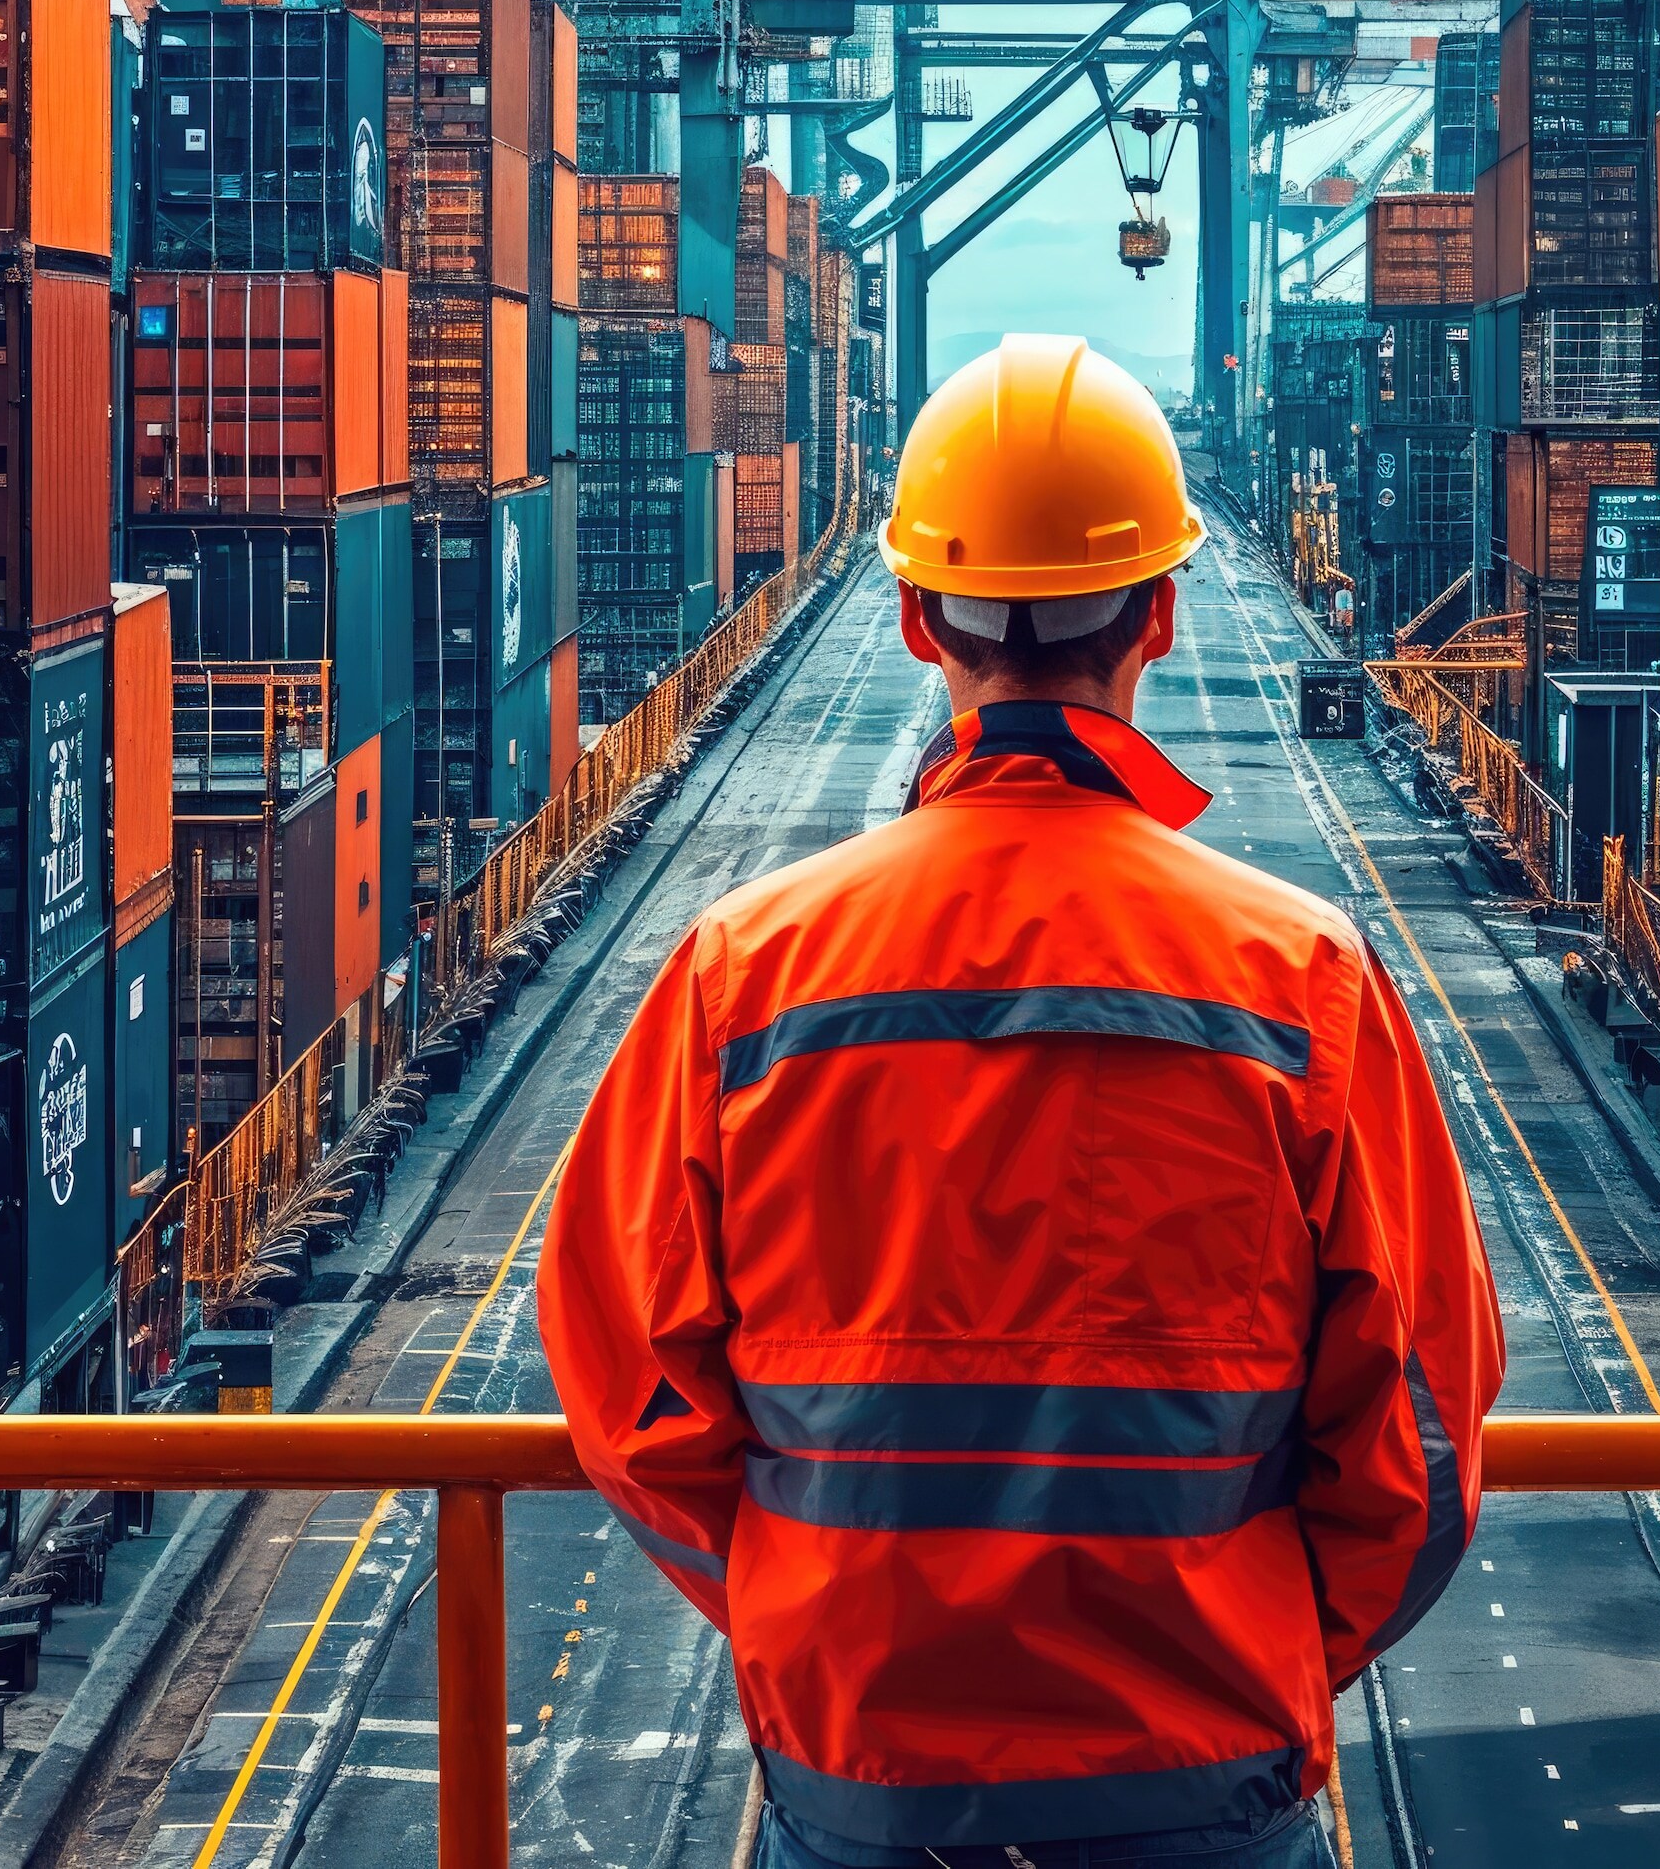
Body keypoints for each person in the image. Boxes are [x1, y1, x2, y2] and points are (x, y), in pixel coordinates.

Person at [540, 335, 1506, 1869]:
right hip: (1207, 1790)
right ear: (1163, 613)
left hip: (864, 1789)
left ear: (918, 617)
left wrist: (813, 1613)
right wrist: (1259, 1652)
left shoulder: (743, 976)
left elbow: (624, 1386)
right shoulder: (1303, 982)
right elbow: (1425, 1427)